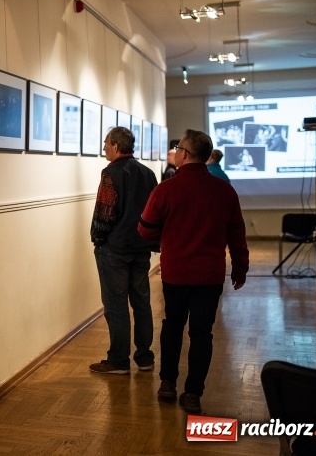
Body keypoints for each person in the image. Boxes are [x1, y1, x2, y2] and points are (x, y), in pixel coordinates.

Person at [138, 129, 248, 415]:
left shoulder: (166, 189)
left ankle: (167, 384)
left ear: (184, 154)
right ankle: (193, 394)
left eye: (177, 149)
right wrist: (240, 267)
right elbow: (236, 233)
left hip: (176, 273)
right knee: (202, 334)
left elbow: (145, 229)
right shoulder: (224, 190)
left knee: (172, 326)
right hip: (209, 275)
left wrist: (166, 236)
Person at [89, 126, 159, 375]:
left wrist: (97, 237)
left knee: (116, 305)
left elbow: (105, 212)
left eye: (106, 143)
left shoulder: (111, 173)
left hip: (115, 250)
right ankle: (144, 357)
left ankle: (119, 360)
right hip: (141, 248)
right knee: (142, 303)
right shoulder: (148, 174)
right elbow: (155, 213)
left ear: (117, 146)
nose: (104, 147)